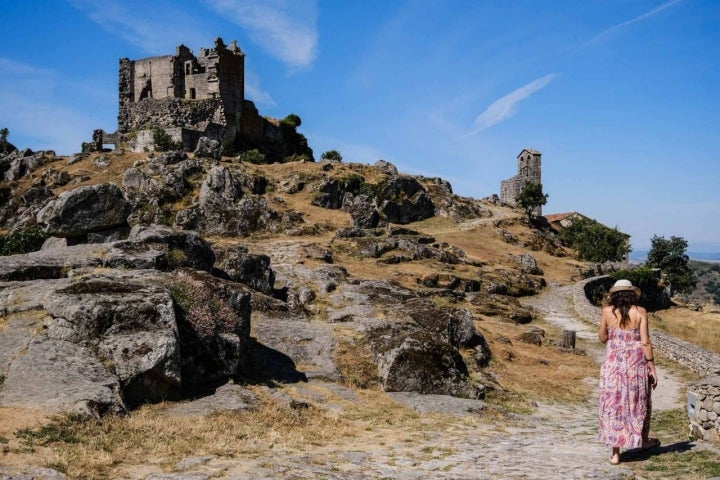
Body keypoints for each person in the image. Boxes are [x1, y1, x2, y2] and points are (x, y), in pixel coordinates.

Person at [598, 279, 659, 465]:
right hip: (635, 365)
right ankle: (644, 441)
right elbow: (645, 341)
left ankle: (615, 453)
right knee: (638, 401)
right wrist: (652, 367)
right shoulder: (640, 312)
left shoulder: (607, 311)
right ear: (632, 294)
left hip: (612, 367)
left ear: (614, 294)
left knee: (613, 405)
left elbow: (602, 338)